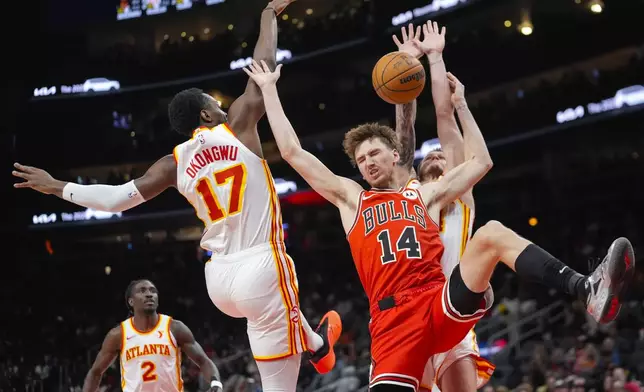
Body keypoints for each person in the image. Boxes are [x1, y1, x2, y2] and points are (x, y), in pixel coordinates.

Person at [242, 59, 635, 392]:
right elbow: (293, 152)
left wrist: (462, 106)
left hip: (437, 300)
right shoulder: (351, 198)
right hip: (392, 323)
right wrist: (270, 90)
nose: (368, 163)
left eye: (374, 153)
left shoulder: (423, 195)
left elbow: (480, 163)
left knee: (492, 233)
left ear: (395, 155)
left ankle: (586, 287)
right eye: (361, 160)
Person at [12, 2, 342, 390]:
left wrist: (57, 186)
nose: (220, 104)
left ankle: (318, 345)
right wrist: (270, 13)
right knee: (279, 336)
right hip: (261, 265)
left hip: (218, 279)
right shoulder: (237, 126)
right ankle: (316, 347)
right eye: (213, 102)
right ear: (205, 115)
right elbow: (263, 66)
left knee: (280, 309)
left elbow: (117, 199)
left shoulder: (173, 163)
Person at [391, 22, 494, 392]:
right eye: (429, 154)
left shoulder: (459, 193)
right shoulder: (413, 194)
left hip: (451, 313)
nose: (436, 152)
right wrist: (405, 67)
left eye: (442, 153)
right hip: (411, 315)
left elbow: (444, 117)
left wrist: (435, 57)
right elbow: (404, 137)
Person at [82, 279, 221, 392]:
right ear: (131, 301)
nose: (149, 294)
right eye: (142, 291)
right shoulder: (118, 334)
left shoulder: (174, 328)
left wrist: (216, 384)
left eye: (153, 291)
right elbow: (95, 372)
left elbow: (203, 361)